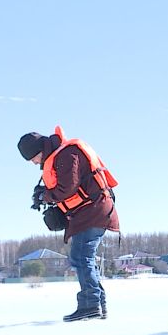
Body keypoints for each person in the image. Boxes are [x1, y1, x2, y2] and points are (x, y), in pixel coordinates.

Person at [18, 125, 120, 322]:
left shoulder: (67, 154)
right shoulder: (59, 155)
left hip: (94, 211)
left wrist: (45, 196)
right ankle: (98, 304)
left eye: (32, 159)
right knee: (82, 258)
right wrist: (43, 196)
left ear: (39, 151)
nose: (33, 163)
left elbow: (67, 188)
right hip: (90, 212)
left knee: (81, 257)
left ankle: (90, 306)